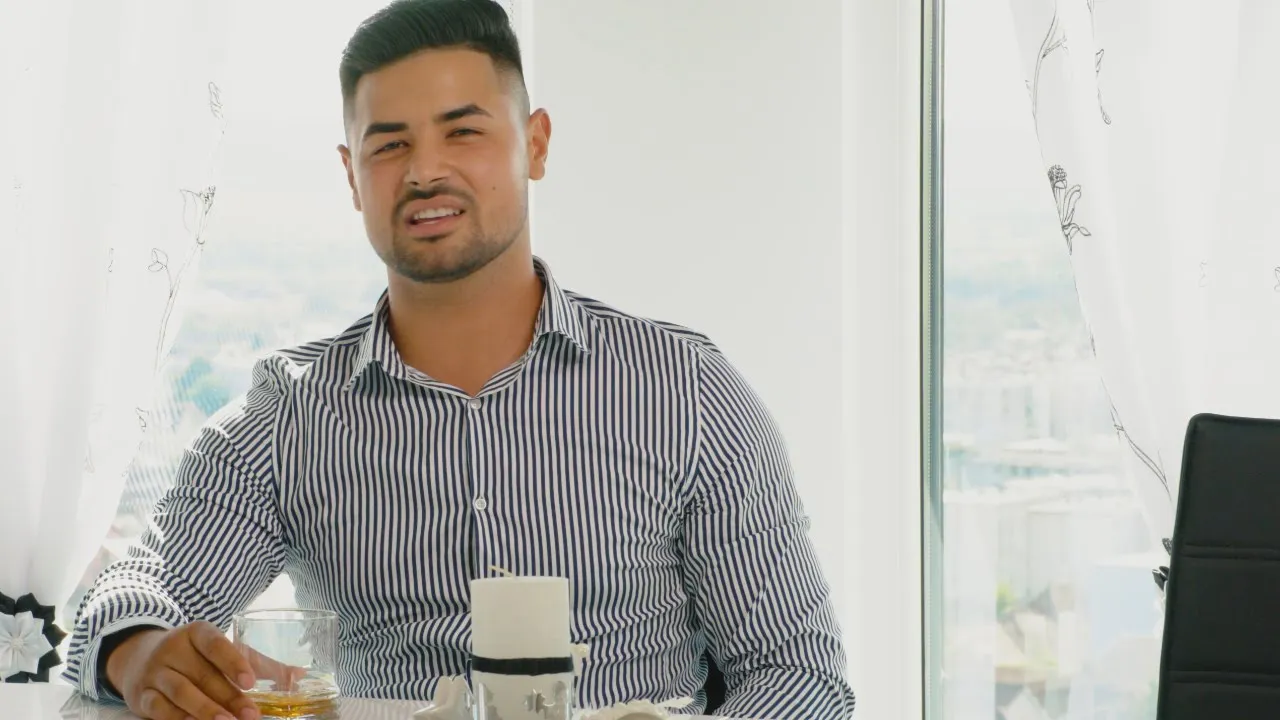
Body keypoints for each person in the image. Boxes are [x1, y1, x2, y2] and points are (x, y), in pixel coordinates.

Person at [63, 1, 857, 718]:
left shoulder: (684, 390)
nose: (424, 170)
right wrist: (141, 654)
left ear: (535, 144)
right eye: (389, 145)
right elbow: (134, 595)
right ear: (351, 177)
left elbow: (797, 673)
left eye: (463, 131)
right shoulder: (291, 414)